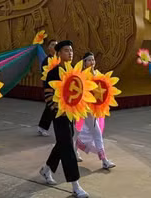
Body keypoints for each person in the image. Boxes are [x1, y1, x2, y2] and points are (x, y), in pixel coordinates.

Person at [39, 40, 89, 198]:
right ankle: (75, 185)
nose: (70, 53)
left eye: (71, 50)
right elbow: (48, 96)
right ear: (58, 53)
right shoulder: (53, 73)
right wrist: (57, 110)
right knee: (68, 147)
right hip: (58, 115)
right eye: (66, 50)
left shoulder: (74, 72)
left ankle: (46, 169)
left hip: (71, 115)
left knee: (62, 143)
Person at [74, 52, 115, 169]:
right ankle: (104, 160)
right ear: (84, 62)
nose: (92, 62)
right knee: (95, 132)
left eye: (93, 60)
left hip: (95, 109)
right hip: (85, 108)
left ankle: (75, 149)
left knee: (79, 131)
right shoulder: (82, 75)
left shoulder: (98, 74)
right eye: (89, 60)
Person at [37, 38, 58, 137]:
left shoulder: (59, 59)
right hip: (50, 87)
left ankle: (43, 127)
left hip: (58, 88)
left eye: (56, 45)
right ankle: (42, 127)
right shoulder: (47, 61)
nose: (55, 46)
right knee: (50, 107)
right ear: (49, 48)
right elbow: (45, 75)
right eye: (53, 45)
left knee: (52, 108)